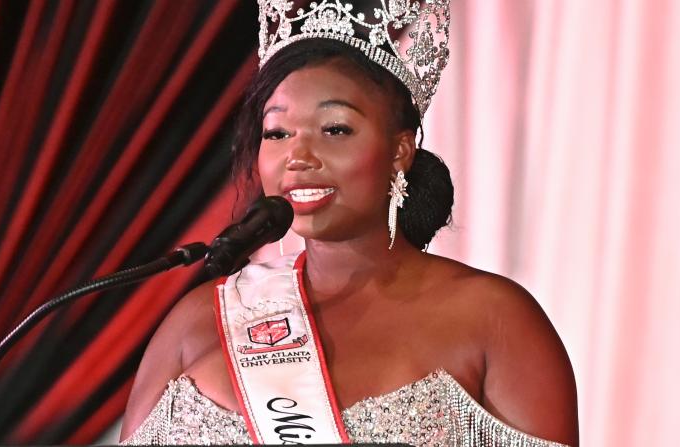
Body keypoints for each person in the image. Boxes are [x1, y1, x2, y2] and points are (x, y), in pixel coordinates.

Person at [120, 1, 578, 445]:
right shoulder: (197, 322)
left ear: (399, 150)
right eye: (277, 133)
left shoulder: (494, 320)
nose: (298, 157)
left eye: (335, 129)